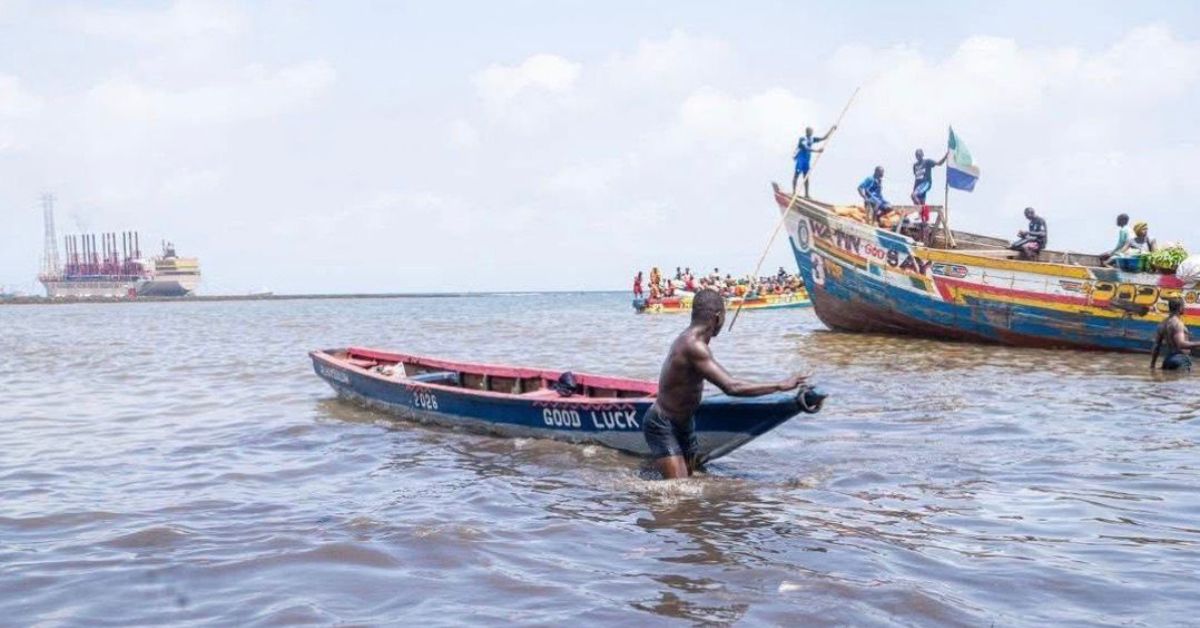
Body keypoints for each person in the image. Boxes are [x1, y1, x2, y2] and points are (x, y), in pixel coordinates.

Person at [643, 289, 809, 479]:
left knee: (690, 485)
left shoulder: (691, 341)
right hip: (662, 423)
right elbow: (732, 387)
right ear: (718, 317)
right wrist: (780, 385)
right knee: (679, 491)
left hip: (684, 424)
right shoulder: (693, 346)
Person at [1151, 298, 1197, 372]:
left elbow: (1156, 346)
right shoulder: (1177, 323)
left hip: (1167, 360)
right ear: (1180, 308)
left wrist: (1152, 365)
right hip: (1180, 358)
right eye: (1183, 307)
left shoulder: (1162, 324)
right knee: (1182, 382)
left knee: (1169, 381)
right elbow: (1181, 344)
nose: (1184, 309)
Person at [792, 125, 837, 197]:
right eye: (809, 131)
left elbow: (824, 138)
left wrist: (831, 129)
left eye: (811, 131)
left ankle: (806, 194)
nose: (811, 133)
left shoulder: (812, 139)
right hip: (801, 159)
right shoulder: (802, 139)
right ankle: (794, 192)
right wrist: (817, 151)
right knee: (796, 175)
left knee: (806, 177)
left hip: (806, 161)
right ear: (806, 132)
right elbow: (806, 148)